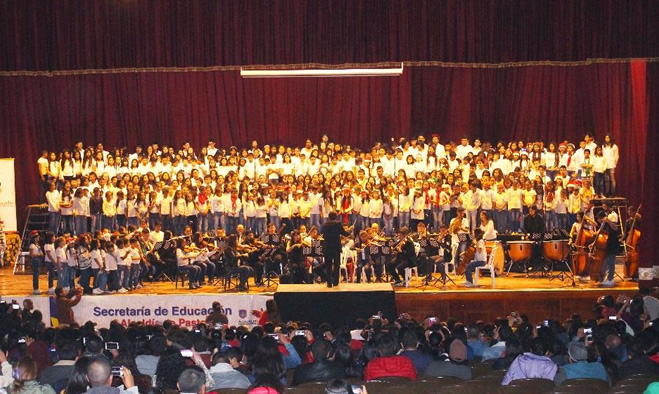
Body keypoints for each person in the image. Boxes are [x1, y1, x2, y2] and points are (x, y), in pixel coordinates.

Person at [320, 212, 351, 288]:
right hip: (336, 247)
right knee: (337, 265)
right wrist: (350, 231)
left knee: (328, 265)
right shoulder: (338, 223)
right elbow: (344, 233)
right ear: (335, 216)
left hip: (327, 247)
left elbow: (321, 233)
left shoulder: (325, 224)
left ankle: (329, 283)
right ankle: (336, 282)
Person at [595, 209, 620, 288]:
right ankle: (607, 278)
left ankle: (610, 280)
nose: (598, 221)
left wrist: (608, 221)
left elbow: (615, 228)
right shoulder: (603, 224)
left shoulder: (608, 222)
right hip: (608, 244)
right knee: (608, 262)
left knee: (611, 262)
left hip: (613, 243)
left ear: (601, 218)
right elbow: (599, 232)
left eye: (598, 219)